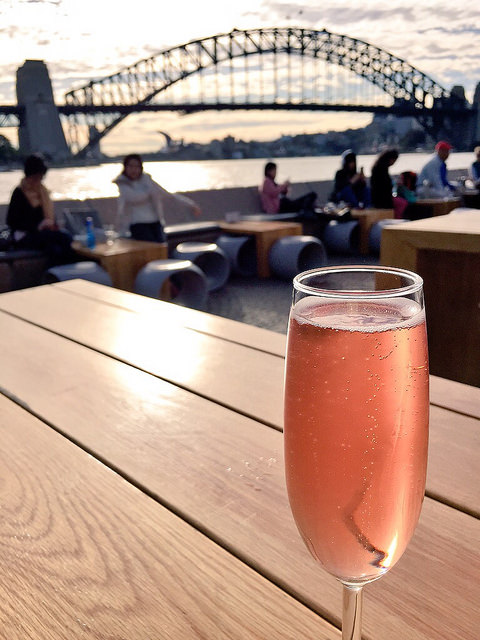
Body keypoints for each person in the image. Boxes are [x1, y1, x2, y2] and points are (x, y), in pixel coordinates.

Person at [113, 154, 201, 242]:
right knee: (149, 251)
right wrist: (150, 190)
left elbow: (167, 195)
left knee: (161, 250)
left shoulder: (147, 180)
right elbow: (134, 198)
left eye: (137, 166)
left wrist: (190, 204)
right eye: (130, 166)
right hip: (136, 225)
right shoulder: (122, 183)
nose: (134, 170)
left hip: (156, 223)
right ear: (125, 167)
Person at [6, 154, 75, 266]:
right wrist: (36, 226)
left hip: (44, 233)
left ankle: (64, 274)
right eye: (36, 177)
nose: (39, 180)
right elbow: (11, 221)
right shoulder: (19, 192)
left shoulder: (43, 192)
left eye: (41, 177)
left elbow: (49, 214)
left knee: (63, 240)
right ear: (29, 175)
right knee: (60, 241)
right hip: (25, 236)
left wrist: (52, 224)